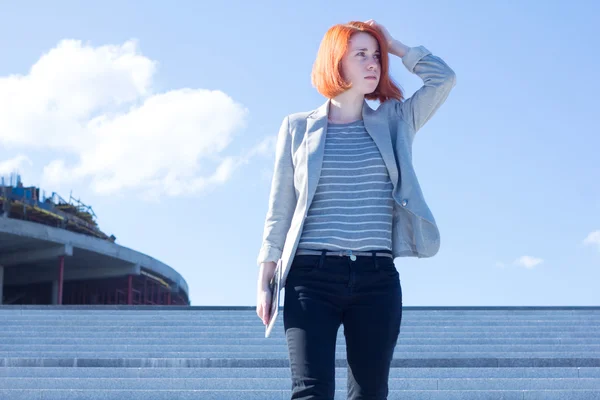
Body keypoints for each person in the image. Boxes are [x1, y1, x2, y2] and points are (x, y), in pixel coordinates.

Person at [256, 19, 456, 399]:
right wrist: (265, 278)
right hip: (310, 278)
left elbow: (443, 80)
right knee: (310, 392)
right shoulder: (298, 127)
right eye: (361, 54)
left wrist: (395, 45)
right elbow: (280, 207)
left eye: (376, 56)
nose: (373, 63)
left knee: (370, 393)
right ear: (336, 61)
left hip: (376, 278)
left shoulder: (396, 120)